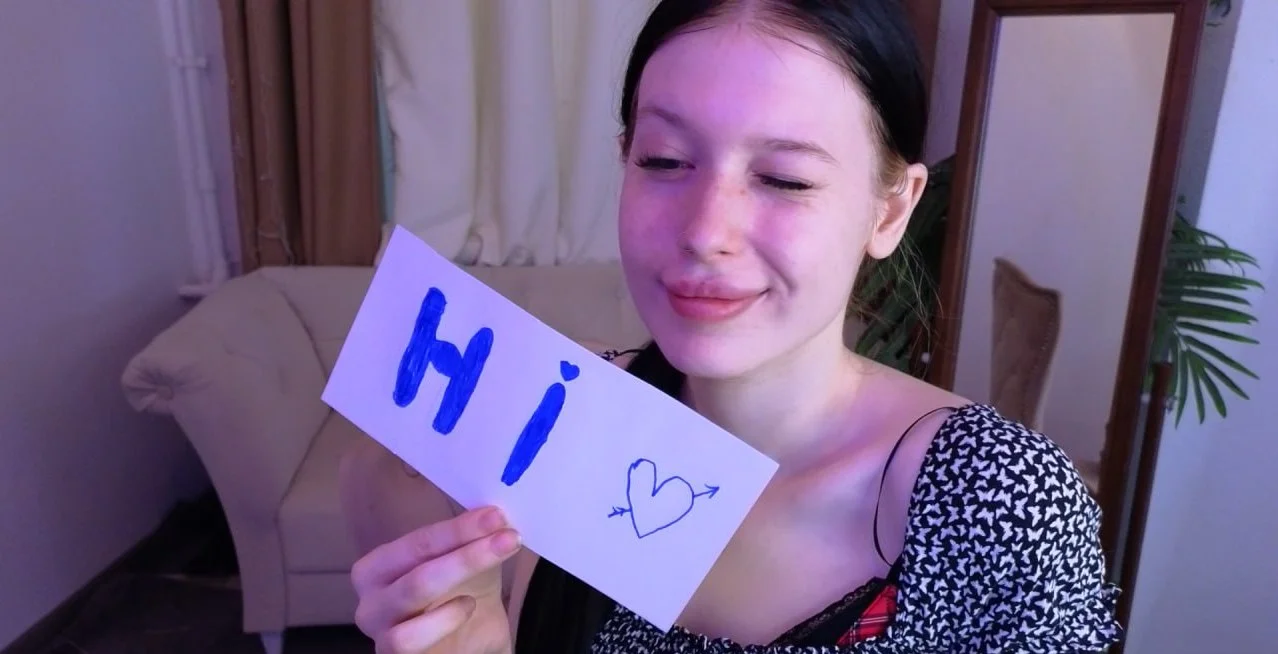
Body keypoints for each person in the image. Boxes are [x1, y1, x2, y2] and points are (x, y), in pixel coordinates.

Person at [347, 1, 1123, 652]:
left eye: (784, 178)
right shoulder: (556, 421)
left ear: (890, 210)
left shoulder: (996, 501)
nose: (705, 232)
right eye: (664, 161)